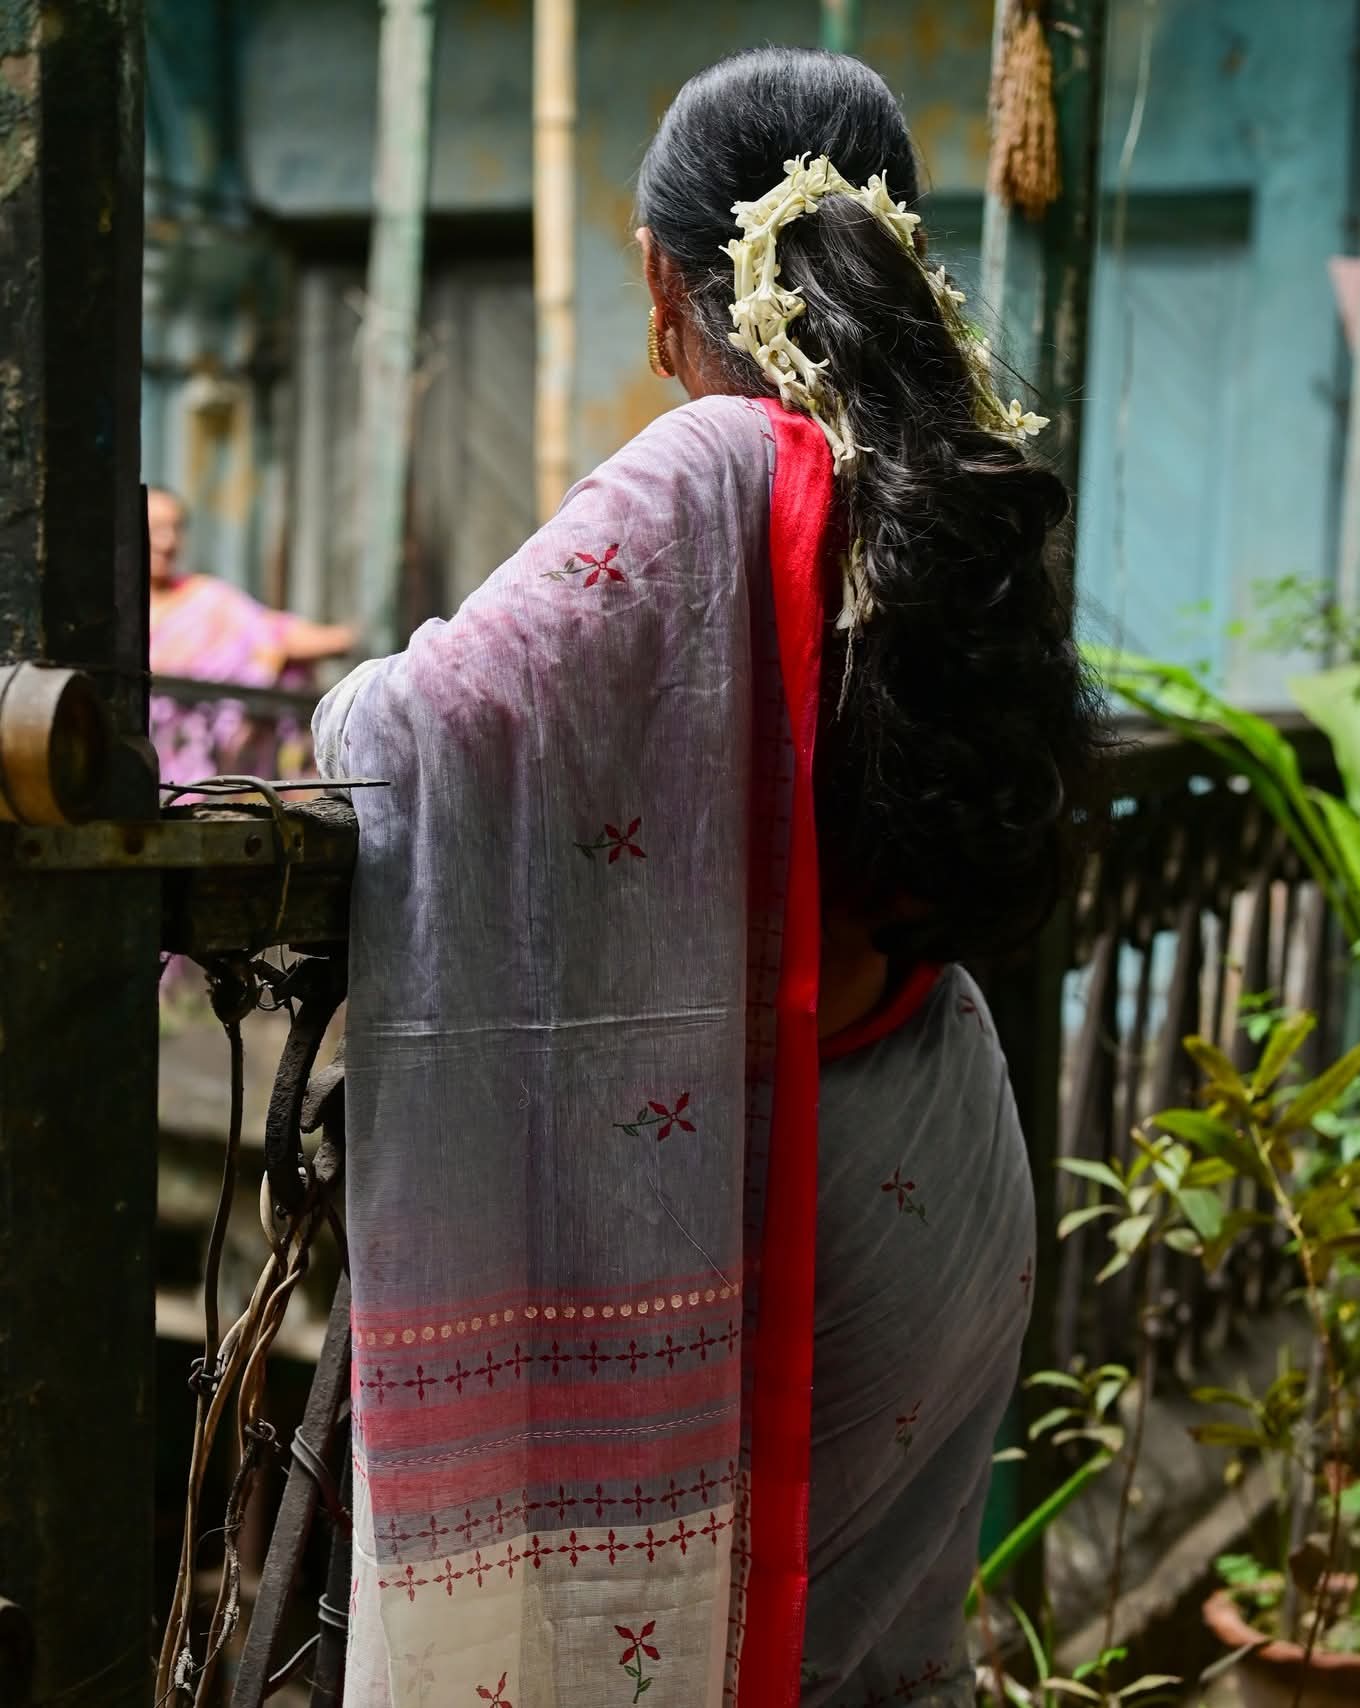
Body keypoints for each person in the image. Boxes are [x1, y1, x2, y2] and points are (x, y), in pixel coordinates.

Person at [314, 48, 1101, 1708]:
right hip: (947, 1133)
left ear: (668, 281)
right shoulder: (944, 462)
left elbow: (431, 723)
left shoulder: (716, 461)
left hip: (802, 1179)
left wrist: (333, 697)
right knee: (877, 1657)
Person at [147, 485, 355, 787]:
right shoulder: (106, 611)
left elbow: (270, 633)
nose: (167, 541)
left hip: (196, 778)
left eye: (176, 528)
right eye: (154, 528)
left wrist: (344, 639)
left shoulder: (208, 599)